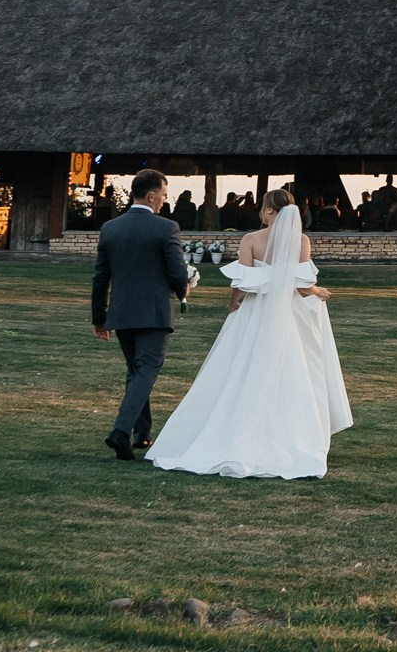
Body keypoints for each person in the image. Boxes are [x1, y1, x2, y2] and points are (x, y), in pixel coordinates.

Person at [146, 189, 353, 479]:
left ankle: (231, 429)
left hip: (256, 313)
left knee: (241, 368)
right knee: (290, 371)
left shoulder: (251, 240)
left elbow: (241, 282)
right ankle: (290, 436)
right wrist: (320, 291)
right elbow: (303, 285)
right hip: (288, 314)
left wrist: (234, 305)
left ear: (268, 211)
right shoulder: (301, 241)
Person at [90, 168, 189, 461]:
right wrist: (184, 290)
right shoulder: (166, 228)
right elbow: (176, 272)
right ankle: (120, 431)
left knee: (136, 371)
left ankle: (141, 433)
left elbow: (100, 277)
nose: (163, 201)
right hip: (154, 312)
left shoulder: (110, 228)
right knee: (146, 370)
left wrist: (99, 317)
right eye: (163, 195)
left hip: (121, 313)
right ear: (151, 195)